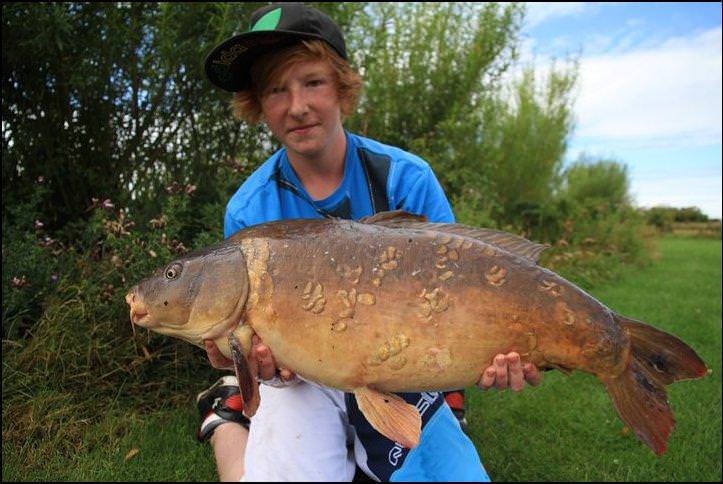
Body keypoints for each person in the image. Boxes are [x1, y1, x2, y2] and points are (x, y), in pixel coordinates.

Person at [197, 3, 541, 481]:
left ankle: (439, 408)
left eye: (312, 82)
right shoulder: (250, 210)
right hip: (305, 381)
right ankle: (227, 414)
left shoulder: (405, 177)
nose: (297, 106)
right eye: (276, 90)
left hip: (397, 372)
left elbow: (463, 290)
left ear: (341, 85)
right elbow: (250, 337)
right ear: (258, 104)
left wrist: (496, 349)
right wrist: (256, 363)